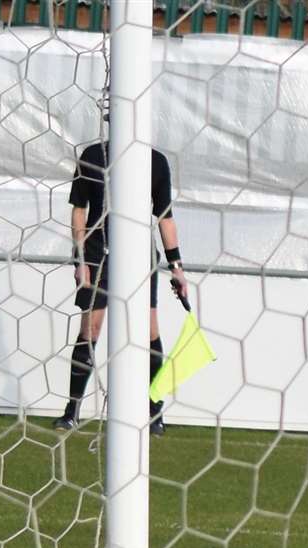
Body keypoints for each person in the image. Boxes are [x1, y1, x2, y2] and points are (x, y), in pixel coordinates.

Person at [53, 136, 187, 434]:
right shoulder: (92, 155)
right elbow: (79, 209)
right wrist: (80, 259)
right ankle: (72, 410)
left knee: (149, 330)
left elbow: (165, 217)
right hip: (98, 251)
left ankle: (154, 411)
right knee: (91, 328)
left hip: (140, 255)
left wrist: (176, 268)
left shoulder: (155, 161)